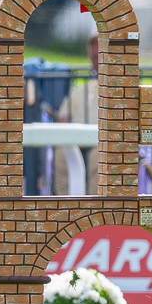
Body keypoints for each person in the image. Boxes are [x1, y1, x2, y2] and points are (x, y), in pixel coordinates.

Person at [53, 34, 102, 196]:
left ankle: (94, 206)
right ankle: (64, 206)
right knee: (61, 154)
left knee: (99, 157)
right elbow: (62, 121)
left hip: (104, 142)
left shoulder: (123, 90)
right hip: (78, 141)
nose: (97, 61)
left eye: (101, 56)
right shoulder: (79, 91)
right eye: (94, 57)